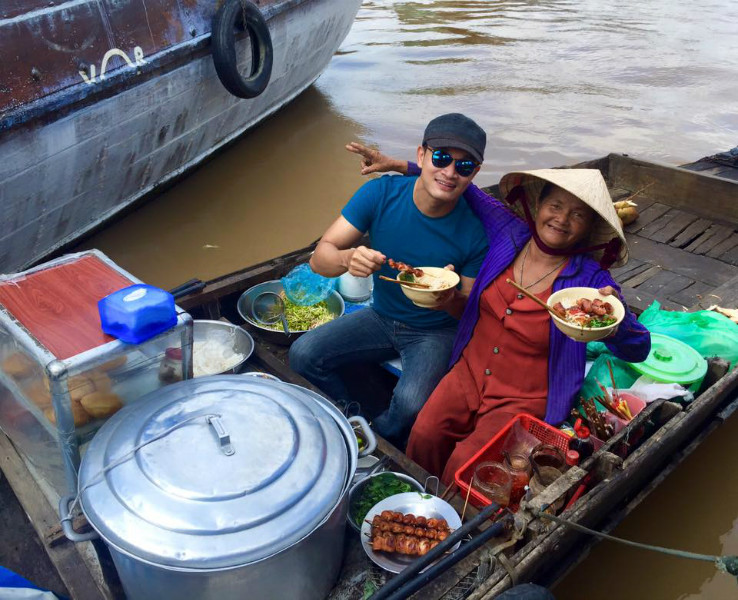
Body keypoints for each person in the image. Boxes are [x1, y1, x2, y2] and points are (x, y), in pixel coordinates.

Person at [346, 144, 650, 483]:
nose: (562, 219)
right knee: (423, 435)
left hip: (523, 397)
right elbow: (466, 189)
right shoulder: (509, 232)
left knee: (463, 464)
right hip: (468, 373)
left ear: (589, 227)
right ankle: (415, 497)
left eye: (578, 215)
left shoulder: (591, 282)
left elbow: (639, 348)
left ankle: (453, 525)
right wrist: (399, 165)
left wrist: (612, 325)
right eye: (555, 205)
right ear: (538, 206)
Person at [288, 113, 490, 446]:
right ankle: (349, 415)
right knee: (303, 355)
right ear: (421, 155)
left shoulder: (475, 232)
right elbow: (319, 258)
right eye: (441, 158)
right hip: (381, 315)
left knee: (411, 406)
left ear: (474, 174)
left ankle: (378, 437)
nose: (450, 172)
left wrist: (449, 298)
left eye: (464, 167)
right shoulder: (381, 194)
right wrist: (347, 258)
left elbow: (467, 312)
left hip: (434, 331)